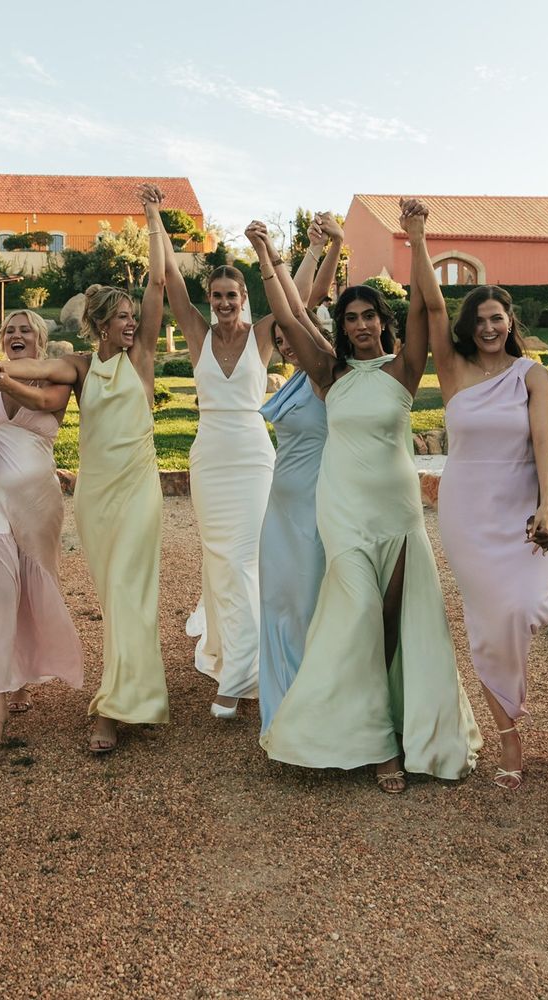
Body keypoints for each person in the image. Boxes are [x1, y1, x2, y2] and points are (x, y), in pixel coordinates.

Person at [249, 201, 481, 793]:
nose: (359, 324)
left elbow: (432, 306)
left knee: (398, 622)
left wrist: (419, 238)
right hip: (344, 514)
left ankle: (410, 728)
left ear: (383, 322)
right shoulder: (329, 375)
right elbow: (288, 312)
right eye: (351, 317)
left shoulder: (404, 369)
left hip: (399, 514)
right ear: (343, 326)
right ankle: (376, 746)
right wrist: (266, 257)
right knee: (355, 617)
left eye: (369, 316)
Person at [0, 184, 168, 753]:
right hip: (97, 496)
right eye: (122, 318)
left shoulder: (144, 359)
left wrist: (153, 217)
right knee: (113, 596)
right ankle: (132, 690)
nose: (132, 324)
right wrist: (0, 376)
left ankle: (113, 709)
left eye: (134, 317)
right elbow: (37, 377)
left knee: (133, 592)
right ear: (100, 323)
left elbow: (159, 282)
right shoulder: (80, 367)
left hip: (139, 490)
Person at [162, 212, 321, 718]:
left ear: (244, 298)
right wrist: (153, 221)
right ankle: (236, 650)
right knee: (221, 559)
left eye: (233, 295)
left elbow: (302, 299)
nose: (225, 303)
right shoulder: (197, 333)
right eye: (217, 296)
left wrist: (295, 248)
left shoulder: (263, 334)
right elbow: (168, 280)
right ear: (208, 300)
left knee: (246, 559)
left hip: (253, 455)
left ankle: (240, 675)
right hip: (209, 456)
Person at [431, 282, 548, 789]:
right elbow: (432, 305)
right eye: (479, 319)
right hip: (466, 513)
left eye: (497, 318)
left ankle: (509, 706)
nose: (488, 327)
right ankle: (507, 733)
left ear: (510, 321)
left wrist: (546, 507)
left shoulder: (533, 375)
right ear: (469, 325)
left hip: (521, 511)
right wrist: (417, 238)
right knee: (488, 622)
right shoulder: (453, 368)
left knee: (525, 607)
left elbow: (545, 444)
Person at [0, 309, 84, 746]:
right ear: (2, 338)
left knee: (32, 592)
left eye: (25, 330)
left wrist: (1, 380)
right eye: (9, 331)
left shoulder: (57, 379)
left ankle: (21, 678)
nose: (16, 335)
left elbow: (45, 405)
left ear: (39, 339)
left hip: (38, 504)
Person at [258, 214, 344, 734]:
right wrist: (275, 253)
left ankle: (317, 718)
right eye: (285, 341)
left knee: (311, 608)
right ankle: (281, 715)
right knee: (278, 605)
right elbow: (297, 310)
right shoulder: (295, 378)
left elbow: (300, 307)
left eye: (298, 338)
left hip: (316, 512)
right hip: (279, 511)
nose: (289, 342)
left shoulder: (326, 373)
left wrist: (277, 255)